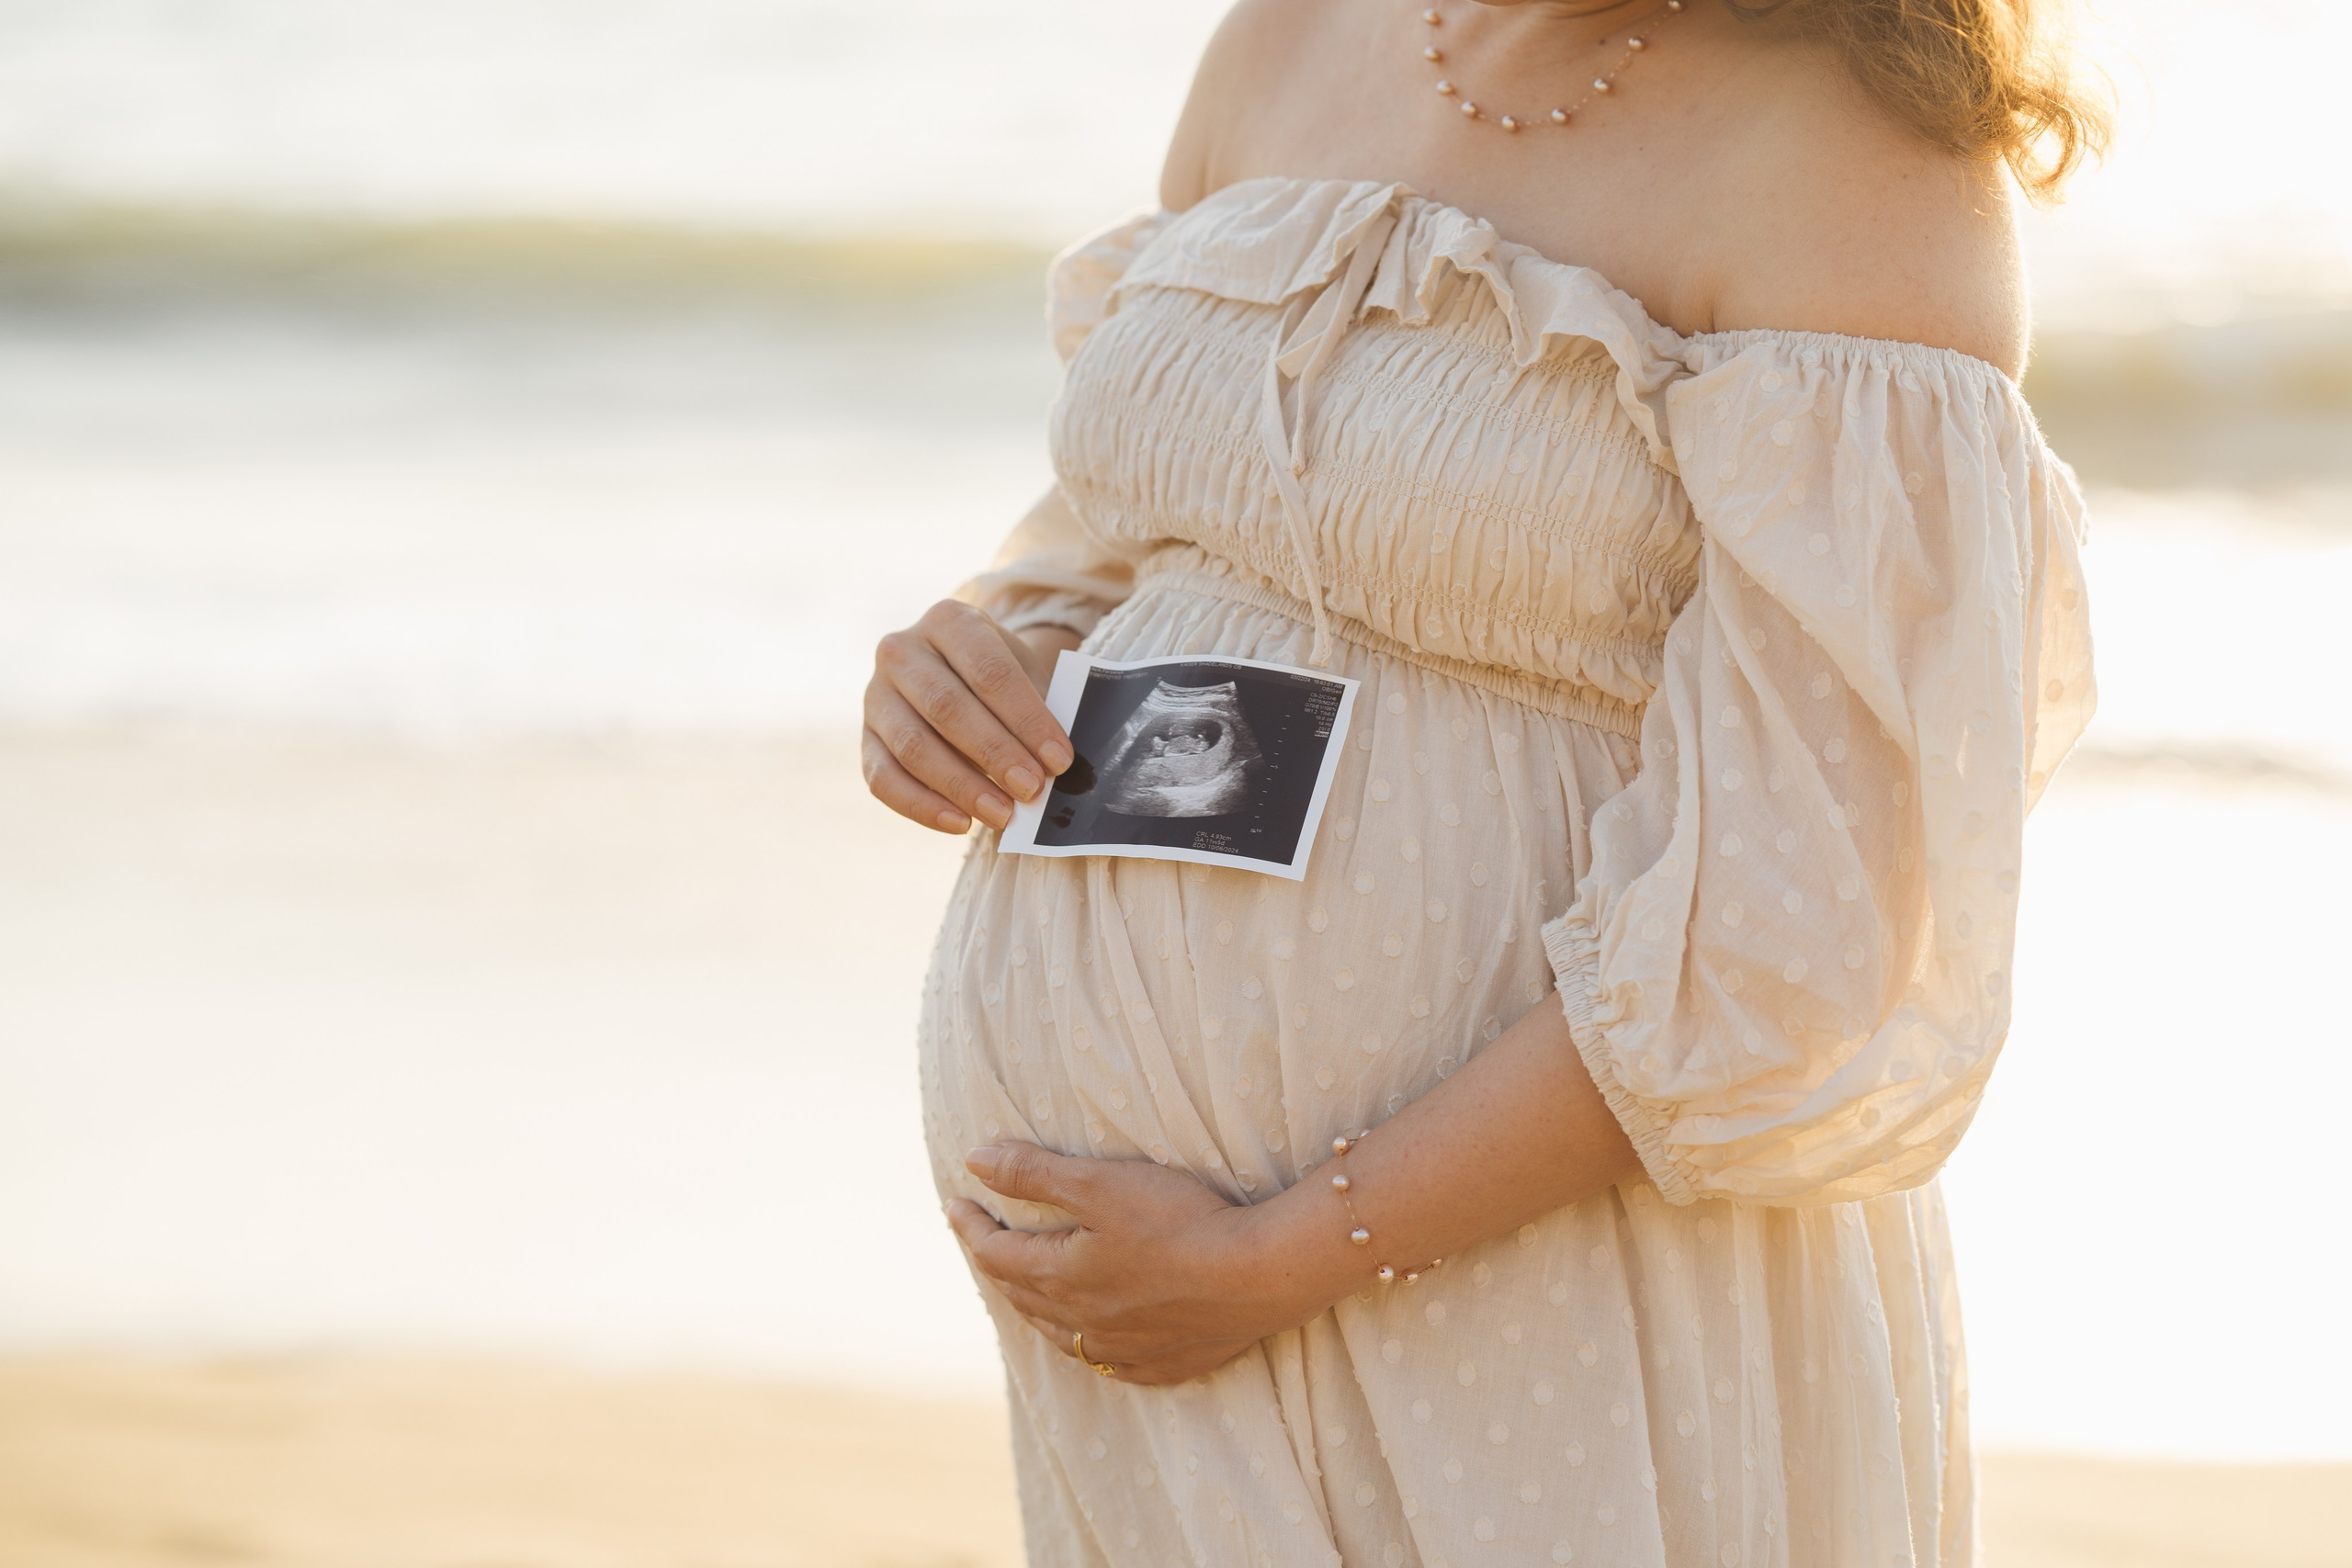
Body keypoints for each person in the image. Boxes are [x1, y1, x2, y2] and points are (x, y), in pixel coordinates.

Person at [862, 1, 2104, 1562]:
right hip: (1141, 1301)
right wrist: (970, 662)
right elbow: (1134, 530)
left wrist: (1288, 1253)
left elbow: (1809, 924)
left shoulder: (1859, 152)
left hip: (1525, 1270)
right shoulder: (1288, 40)